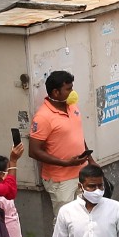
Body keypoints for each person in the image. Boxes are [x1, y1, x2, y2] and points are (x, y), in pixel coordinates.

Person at [29, 71, 92, 213]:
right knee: (65, 221)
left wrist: (90, 160)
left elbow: (78, 134)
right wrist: (65, 163)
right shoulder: (43, 117)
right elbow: (34, 151)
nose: (72, 92)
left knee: (84, 216)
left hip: (81, 174)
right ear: (56, 92)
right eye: (68, 89)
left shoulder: (72, 107)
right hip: (61, 181)